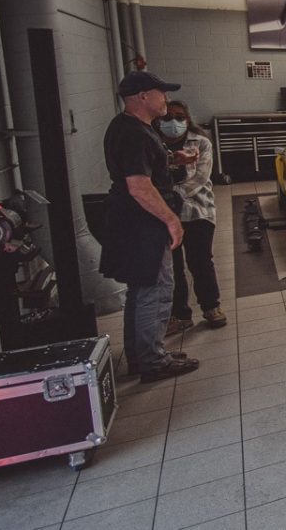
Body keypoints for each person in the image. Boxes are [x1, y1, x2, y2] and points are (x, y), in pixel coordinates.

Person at [100, 71, 200, 382]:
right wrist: (172, 221)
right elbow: (140, 186)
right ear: (143, 96)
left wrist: (172, 161)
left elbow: (145, 168)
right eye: (161, 93)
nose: (166, 100)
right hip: (145, 224)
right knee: (155, 291)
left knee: (140, 290)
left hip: (133, 222)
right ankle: (153, 361)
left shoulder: (128, 127)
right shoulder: (135, 134)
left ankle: (141, 355)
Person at [158, 101, 225, 335]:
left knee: (201, 262)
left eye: (179, 117)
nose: (173, 122)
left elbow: (199, 178)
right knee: (172, 267)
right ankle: (180, 315)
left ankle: (211, 307)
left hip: (198, 212)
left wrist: (170, 195)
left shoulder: (201, 143)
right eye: (168, 118)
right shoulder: (155, 145)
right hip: (164, 215)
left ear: (188, 119)